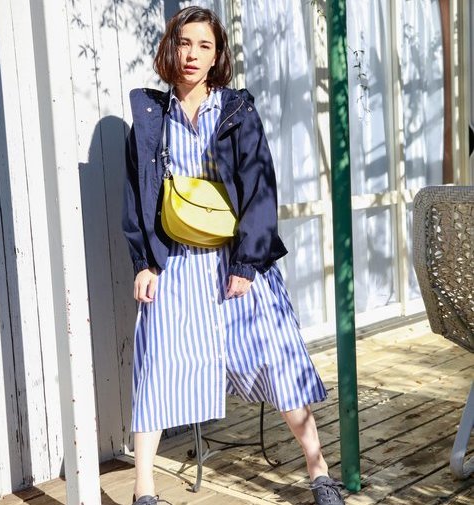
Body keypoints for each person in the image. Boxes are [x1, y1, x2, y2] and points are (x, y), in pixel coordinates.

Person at [123, 6, 345, 505]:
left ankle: (319, 472)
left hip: (236, 260)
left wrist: (247, 264)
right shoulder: (151, 118)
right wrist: (144, 262)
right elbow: (136, 196)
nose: (192, 55)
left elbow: (261, 190)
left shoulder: (236, 111)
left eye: (204, 45)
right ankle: (143, 490)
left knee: (277, 359)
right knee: (156, 364)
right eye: (184, 43)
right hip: (176, 262)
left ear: (217, 55)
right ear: (171, 48)